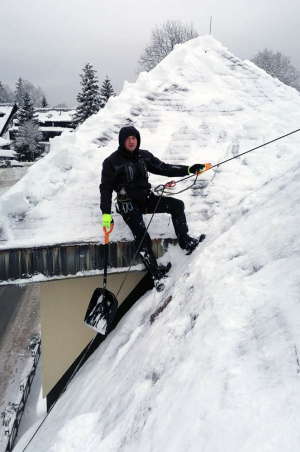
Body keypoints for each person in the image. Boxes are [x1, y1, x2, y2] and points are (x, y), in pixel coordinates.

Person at [100, 126, 207, 291]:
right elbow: (105, 188)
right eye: (127, 138)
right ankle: (156, 276)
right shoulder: (111, 162)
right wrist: (106, 213)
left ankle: (185, 241)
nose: (131, 141)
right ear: (122, 141)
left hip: (145, 198)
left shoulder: (144, 156)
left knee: (177, 205)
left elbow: (164, 168)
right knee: (142, 236)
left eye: (134, 138)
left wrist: (188, 169)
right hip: (127, 204)